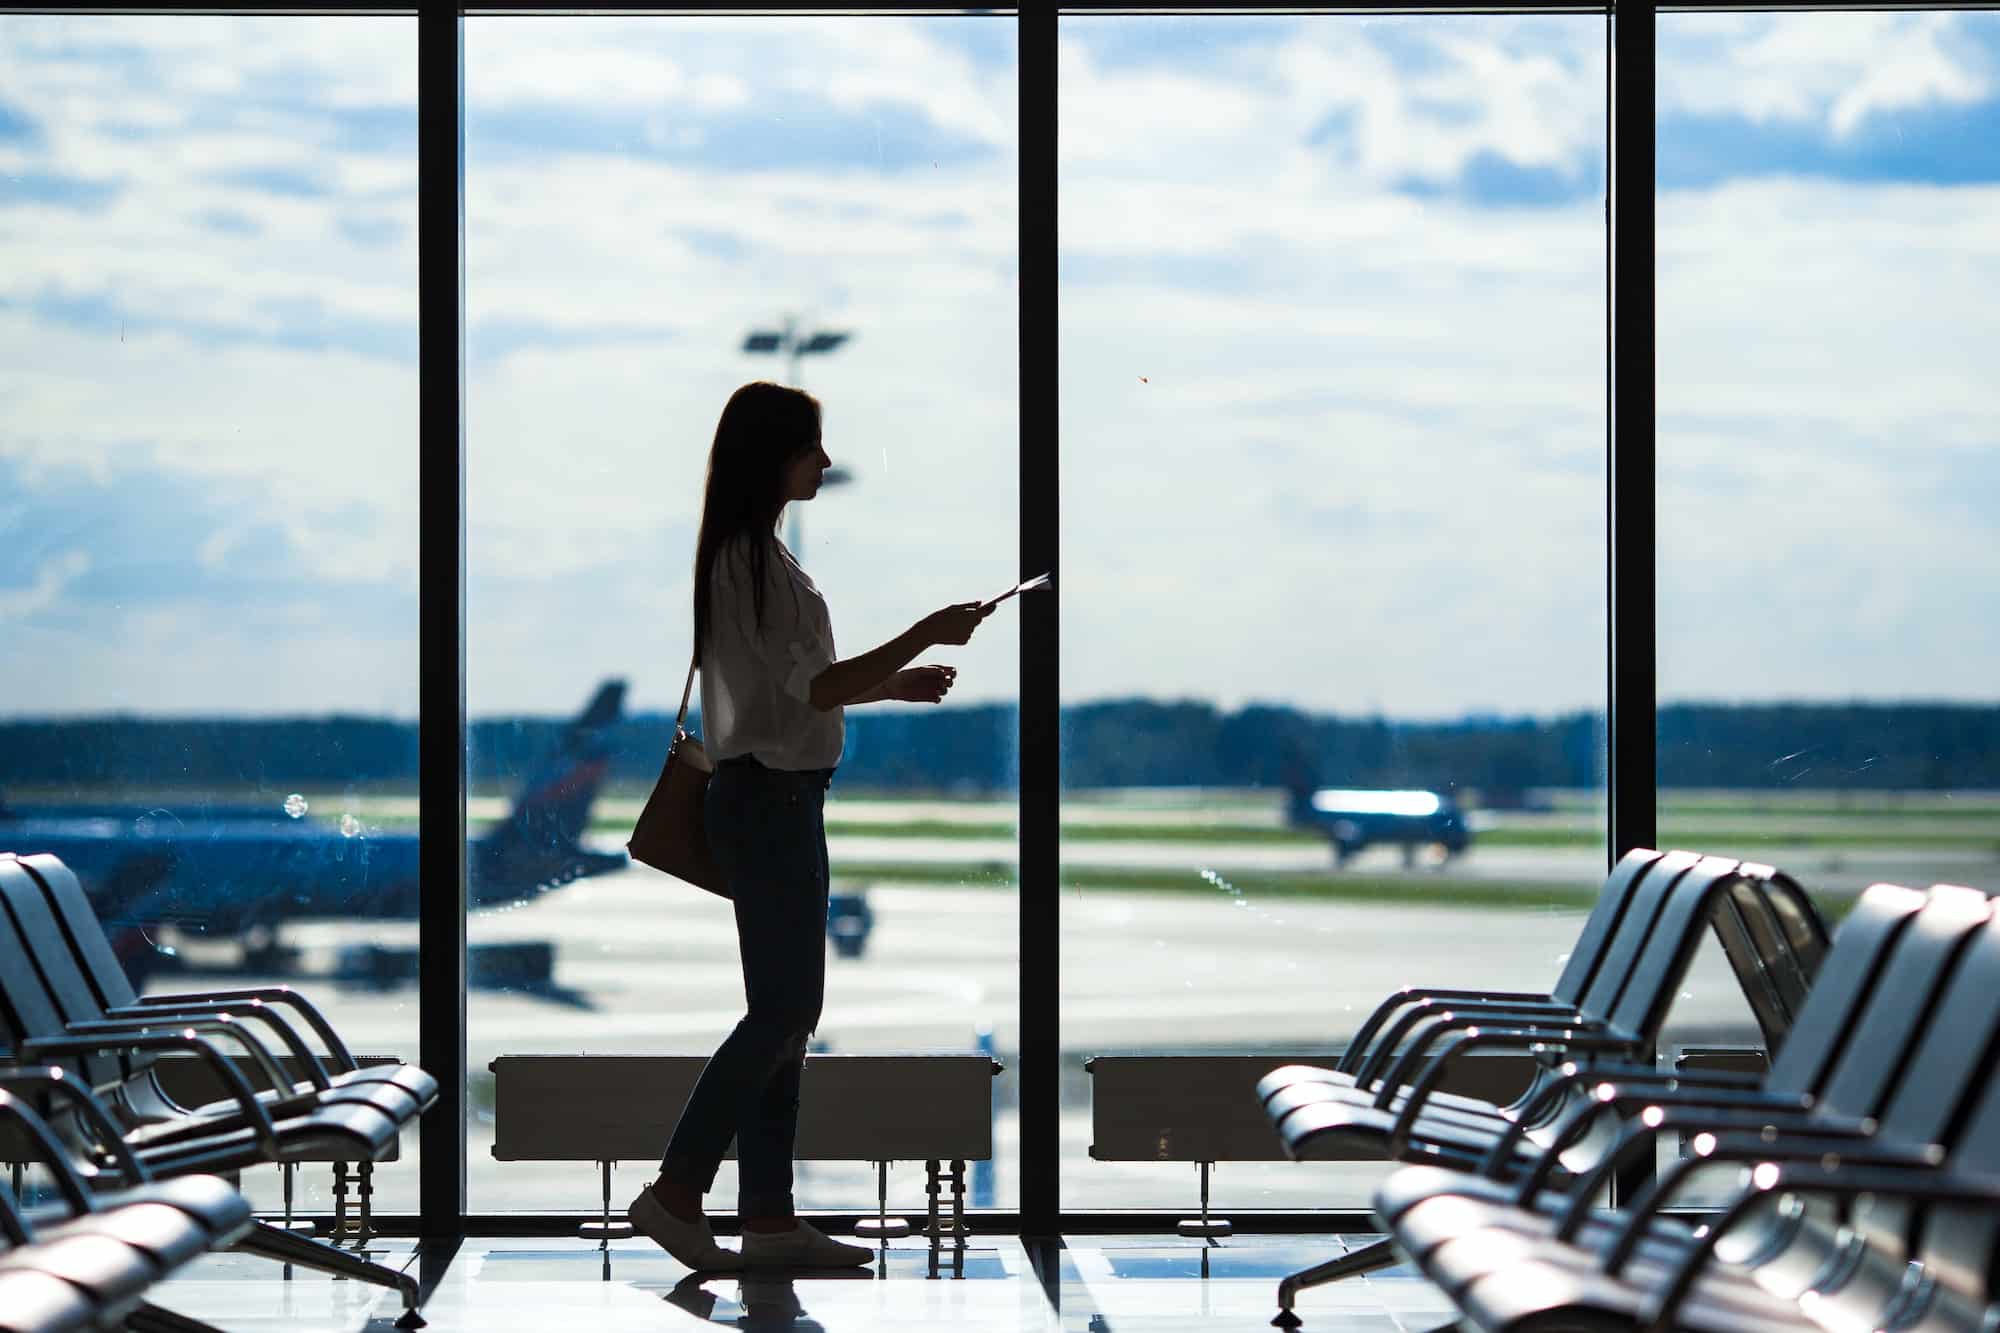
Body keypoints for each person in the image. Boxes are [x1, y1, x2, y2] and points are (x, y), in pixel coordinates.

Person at [628, 381, 993, 1271]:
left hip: (776, 798)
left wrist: (890, 686)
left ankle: (766, 1217)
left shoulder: (755, 558)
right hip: (771, 803)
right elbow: (809, 691)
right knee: (786, 1012)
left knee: (784, 1015)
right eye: (812, 447)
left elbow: (790, 689)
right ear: (773, 455)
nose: (825, 463)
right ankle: (678, 1190)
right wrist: (920, 634)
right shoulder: (751, 561)